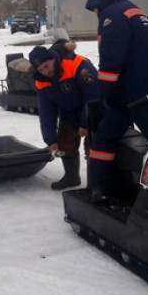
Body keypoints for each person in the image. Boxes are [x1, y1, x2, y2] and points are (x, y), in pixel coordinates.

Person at [84, 0, 148, 199]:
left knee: (105, 139)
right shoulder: (135, 12)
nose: (96, 14)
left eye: (95, 9)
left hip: (129, 95)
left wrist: (104, 94)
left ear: (100, 3)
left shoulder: (112, 17)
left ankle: (99, 188)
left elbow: (111, 61)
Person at [29, 42, 99, 190]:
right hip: (69, 112)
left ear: (53, 59)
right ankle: (71, 177)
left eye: (46, 66)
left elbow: (94, 95)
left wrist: (85, 123)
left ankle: (95, 183)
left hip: (94, 109)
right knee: (65, 143)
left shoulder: (77, 64)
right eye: (40, 69)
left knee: (93, 148)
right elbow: (47, 112)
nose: (45, 71)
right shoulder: (42, 82)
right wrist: (50, 139)